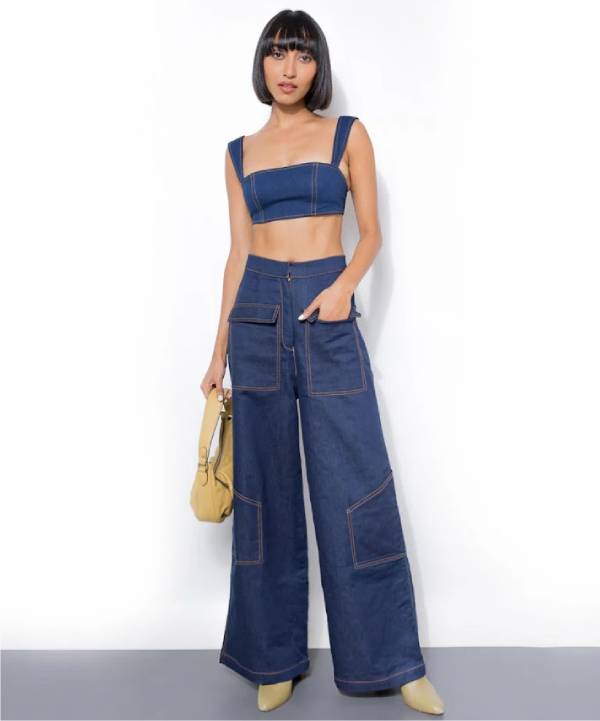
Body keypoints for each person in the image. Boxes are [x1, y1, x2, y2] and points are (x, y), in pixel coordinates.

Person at [201, 8, 444, 715]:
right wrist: (217, 351)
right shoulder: (238, 152)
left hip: (326, 309)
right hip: (255, 317)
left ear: (318, 66)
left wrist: (343, 288)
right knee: (265, 492)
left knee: (355, 483)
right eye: (277, 54)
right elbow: (238, 254)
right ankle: (271, 657)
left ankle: (395, 660)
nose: (289, 68)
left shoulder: (347, 134)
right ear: (262, 63)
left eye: (302, 56)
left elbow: (371, 234)